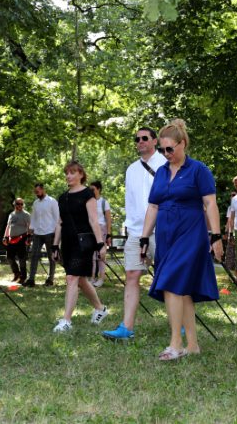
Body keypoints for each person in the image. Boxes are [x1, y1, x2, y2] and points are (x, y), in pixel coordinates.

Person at [140, 119, 223, 360]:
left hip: (190, 233)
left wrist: (216, 236)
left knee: (171, 283)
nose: (166, 154)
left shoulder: (198, 170)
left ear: (183, 143)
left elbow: (210, 203)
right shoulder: (162, 172)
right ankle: (193, 345)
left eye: (170, 148)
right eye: (162, 149)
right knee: (182, 290)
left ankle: (175, 343)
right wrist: (144, 237)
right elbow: (153, 206)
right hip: (166, 236)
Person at [103, 127, 167, 341]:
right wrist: (131, 229)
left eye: (144, 138)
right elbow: (129, 202)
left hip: (161, 230)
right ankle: (126, 328)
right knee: (131, 275)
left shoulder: (165, 163)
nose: (140, 141)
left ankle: (183, 323)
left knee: (168, 277)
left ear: (155, 141)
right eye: (137, 138)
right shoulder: (131, 169)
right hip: (135, 231)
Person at [51, 161, 109, 332]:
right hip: (67, 242)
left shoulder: (87, 194)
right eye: (67, 173)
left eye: (72, 172)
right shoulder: (63, 197)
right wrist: (55, 246)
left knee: (71, 278)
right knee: (82, 281)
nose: (68, 176)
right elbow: (60, 223)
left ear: (81, 174)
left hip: (83, 242)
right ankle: (100, 309)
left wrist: (100, 243)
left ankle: (66, 321)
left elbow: (93, 220)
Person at [24, 184, 59, 287]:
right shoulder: (35, 203)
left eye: (37, 192)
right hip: (37, 233)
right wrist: (29, 235)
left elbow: (57, 218)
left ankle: (50, 279)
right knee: (34, 255)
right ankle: (31, 279)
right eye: (35, 192)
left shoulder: (52, 201)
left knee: (51, 256)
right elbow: (33, 219)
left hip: (50, 232)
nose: (36, 194)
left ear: (43, 190)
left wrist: (56, 234)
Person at [88, 181, 112, 287]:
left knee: (101, 255)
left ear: (99, 189)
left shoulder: (104, 202)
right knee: (92, 256)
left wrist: (108, 234)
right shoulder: (89, 202)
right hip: (91, 230)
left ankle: (101, 279)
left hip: (102, 229)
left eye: (93, 189)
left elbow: (108, 220)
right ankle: (93, 277)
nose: (91, 191)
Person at [3, 198, 31, 283]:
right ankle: (16, 273)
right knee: (9, 257)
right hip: (11, 239)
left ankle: (23, 276)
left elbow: (30, 226)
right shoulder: (11, 214)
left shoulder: (26, 214)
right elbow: (8, 226)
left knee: (21, 258)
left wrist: (29, 237)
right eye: (18, 204)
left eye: (22, 204)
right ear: (14, 204)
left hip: (22, 238)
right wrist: (5, 237)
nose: (20, 206)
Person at [224, 191, 237, 281]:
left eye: (234, 195)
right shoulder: (230, 208)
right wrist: (225, 232)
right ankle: (236, 277)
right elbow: (229, 222)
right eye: (231, 195)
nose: (232, 196)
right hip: (231, 234)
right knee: (231, 255)